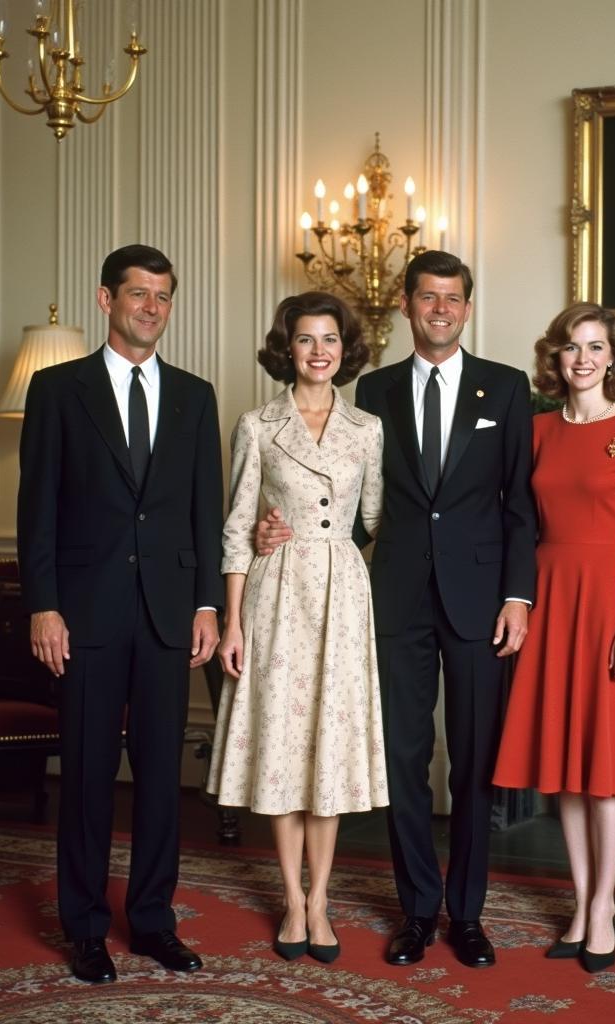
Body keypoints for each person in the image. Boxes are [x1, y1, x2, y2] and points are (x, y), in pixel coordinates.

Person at [258, 250, 537, 968]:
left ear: (466, 309)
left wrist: (517, 596)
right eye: (428, 297)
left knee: (473, 760)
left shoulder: (505, 389)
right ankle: (417, 910)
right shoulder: (370, 390)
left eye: (453, 298)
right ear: (407, 306)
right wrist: (271, 524)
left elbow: (519, 507)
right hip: (392, 600)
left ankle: (467, 915)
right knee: (404, 758)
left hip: (481, 603)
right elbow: (331, 489)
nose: (440, 308)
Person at [18, 244, 224, 984]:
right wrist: (43, 605)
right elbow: (35, 510)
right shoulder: (57, 390)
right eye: (139, 294)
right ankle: (84, 928)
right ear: (105, 300)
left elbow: (207, 512)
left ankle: (154, 922)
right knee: (87, 775)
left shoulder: (197, 397)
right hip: (85, 613)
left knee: (164, 778)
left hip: (170, 616)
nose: (152, 308)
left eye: (164, 296)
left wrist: (209, 605)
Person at [207, 291, 388, 964]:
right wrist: (232, 623)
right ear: (288, 349)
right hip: (274, 592)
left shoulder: (367, 428)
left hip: (342, 595)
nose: (319, 351)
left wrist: (349, 563)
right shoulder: (256, 425)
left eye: (330, 340)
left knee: (328, 750)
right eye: (307, 340)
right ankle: (291, 898)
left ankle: (322, 900)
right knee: (283, 745)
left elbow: (375, 523)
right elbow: (235, 527)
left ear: (346, 351)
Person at [493, 302, 615, 974]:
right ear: (554, 359)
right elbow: (513, 522)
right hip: (552, 597)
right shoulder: (534, 430)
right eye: (571, 347)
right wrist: (520, 601)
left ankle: (602, 907)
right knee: (564, 764)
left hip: (609, 604)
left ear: (613, 358)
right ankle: (582, 897)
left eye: (595, 347)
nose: (583, 358)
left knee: (607, 765)